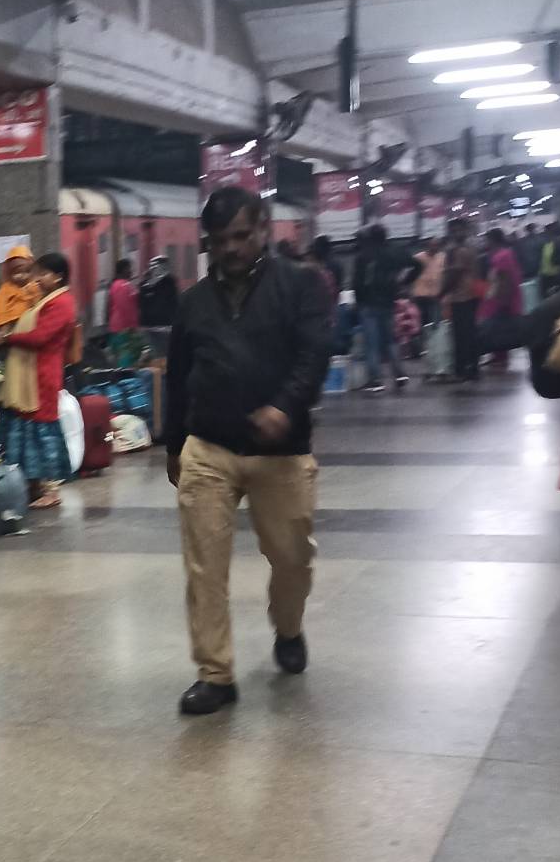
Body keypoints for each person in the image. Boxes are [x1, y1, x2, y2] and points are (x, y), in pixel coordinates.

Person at [165, 188, 332, 718]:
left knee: (291, 559)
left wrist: (285, 406)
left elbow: (314, 354)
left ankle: (289, 627)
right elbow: (177, 377)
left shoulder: (300, 285)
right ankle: (215, 674)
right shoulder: (193, 302)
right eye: (219, 240)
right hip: (208, 448)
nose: (231, 248)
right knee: (204, 567)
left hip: (281, 452)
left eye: (240, 236)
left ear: (263, 228)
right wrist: (174, 444)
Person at [0, 250, 78, 510]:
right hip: (31, 376)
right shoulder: (45, 300)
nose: (38, 278)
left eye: (43, 274)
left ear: (58, 276)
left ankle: (50, 490)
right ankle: (33, 486)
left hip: (42, 376)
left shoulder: (62, 303)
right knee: (27, 431)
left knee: (44, 434)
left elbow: (40, 337)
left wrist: (9, 338)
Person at [352, 222, 410, 393]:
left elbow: (357, 283)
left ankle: (375, 380)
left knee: (372, 344)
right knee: (391, 340)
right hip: (388, 303)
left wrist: (358, 302)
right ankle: (399, 374)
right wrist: (402, 284)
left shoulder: (363, 257)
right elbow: (411, 267)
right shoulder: (391, 253)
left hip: (368, 305)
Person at [442, 218, 485, 383]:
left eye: (458, 230)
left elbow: (454, 274)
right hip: (472, 294)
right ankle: (473, 368)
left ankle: (461, 370)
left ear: (464, 231)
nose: (456, 233)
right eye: (454, 230)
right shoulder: (473, 248)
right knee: (470, 333)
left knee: (461, 335)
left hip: (461, 296)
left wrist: (442, 292)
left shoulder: (459, 251)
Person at [480, 227, 523, 368]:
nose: (484, 243)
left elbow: (505, 280)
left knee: (499, 327)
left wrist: (503, 302)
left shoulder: (501, 256)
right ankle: (499, 355)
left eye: (486, 240)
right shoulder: (505, 254)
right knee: (499, 327)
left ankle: (500, 356)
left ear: (492, 240)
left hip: (501, 299)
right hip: (501, 297)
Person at [410, 239, 445, 360]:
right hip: (419, 295)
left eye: (436, 246)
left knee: (435, 323)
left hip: (435, 295)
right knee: (418, 324)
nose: (434, 248)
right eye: (432, 245)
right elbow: (410, 274)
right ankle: (418, 350)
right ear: (427, 246)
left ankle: (434, 348)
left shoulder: (442, 257)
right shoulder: (418, 258)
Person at [0, 248, 39, 332]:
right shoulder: (4, 291)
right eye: (17, 272)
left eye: (27, 272)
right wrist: (3, 329)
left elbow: (40, 304)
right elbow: (1, 312)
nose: (23, 276)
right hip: (12, 327)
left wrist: (31, 293)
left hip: (33, 326)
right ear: (9, 273)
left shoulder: (36, 286)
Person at [106, 259, 141, 334]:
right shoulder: (122, 285)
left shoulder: (116, 284)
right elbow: (126, 307)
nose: (131, 271)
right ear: (124, 269)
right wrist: (132, 326)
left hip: (118, 326)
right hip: (124, 327)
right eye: (129, 268)